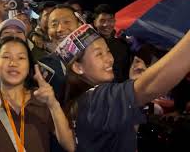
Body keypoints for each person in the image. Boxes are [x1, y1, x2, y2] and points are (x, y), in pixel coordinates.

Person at [61, 23, 190, 152]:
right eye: (99, 54)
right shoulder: (96, 99)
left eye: (108, 51)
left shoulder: (80, 103)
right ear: (78, 67)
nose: (109, 59)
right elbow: (150, 85)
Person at [93, 4, 132, 82]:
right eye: (102, 20)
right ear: (95, 22)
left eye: (110, 20)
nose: (106, 24)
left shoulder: (122, 45)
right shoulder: (89, 47)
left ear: (114, 21)